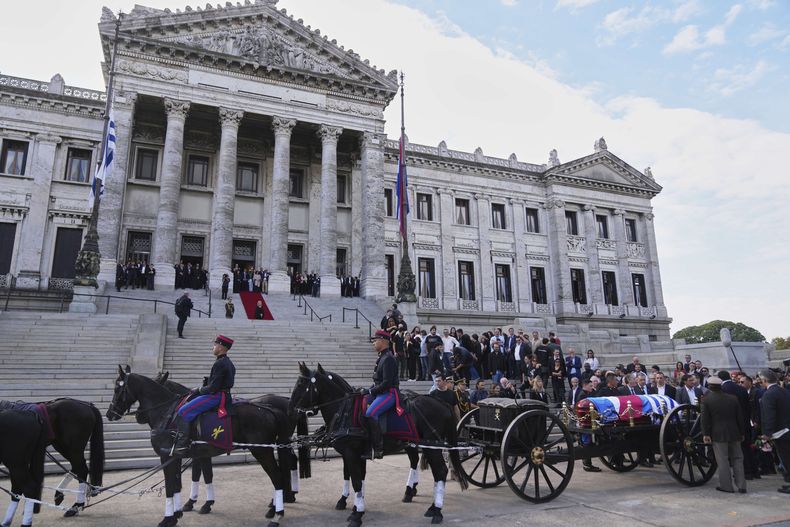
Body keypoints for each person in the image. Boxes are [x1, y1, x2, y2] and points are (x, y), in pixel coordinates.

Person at [164, 335, 236, 455]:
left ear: (221, 347)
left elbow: (213, 388)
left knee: (183, 411)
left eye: (215, 344)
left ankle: (181, 446)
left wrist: (198, 389)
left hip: (216, 396)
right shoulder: (228, 363)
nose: (213, 347)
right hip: (222, 394)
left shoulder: (219, 363)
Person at [701, 376, 746, 494]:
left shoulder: (706, 400)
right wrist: (742, 432)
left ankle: (727, 486)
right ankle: (742, 486)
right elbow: (740, 418)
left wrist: (705, 434)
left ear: (710, 386)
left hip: (718, 433)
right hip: (735, 432)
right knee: (738, 459)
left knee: (723, 461)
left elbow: (705, 419)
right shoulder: (733, 398)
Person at [362, 330, 400, 459]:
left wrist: (371, 391)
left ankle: (378, 448)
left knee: (371, 413)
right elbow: (377, 381)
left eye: (375, 340)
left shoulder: (388, 358)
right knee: (359, 402)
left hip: (389, 393)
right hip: (380, 392)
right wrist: (367, 391)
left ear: (383, 341)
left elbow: (387, 383)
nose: (373, 342)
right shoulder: (382, 357)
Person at [759, 369, 790, 494]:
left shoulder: (769, 394)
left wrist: (767, 433)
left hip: (780, 431)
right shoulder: (784, 391)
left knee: (786, 459)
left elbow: (769, 416)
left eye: (761, 380)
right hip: (787, 428)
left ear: (765, 380)